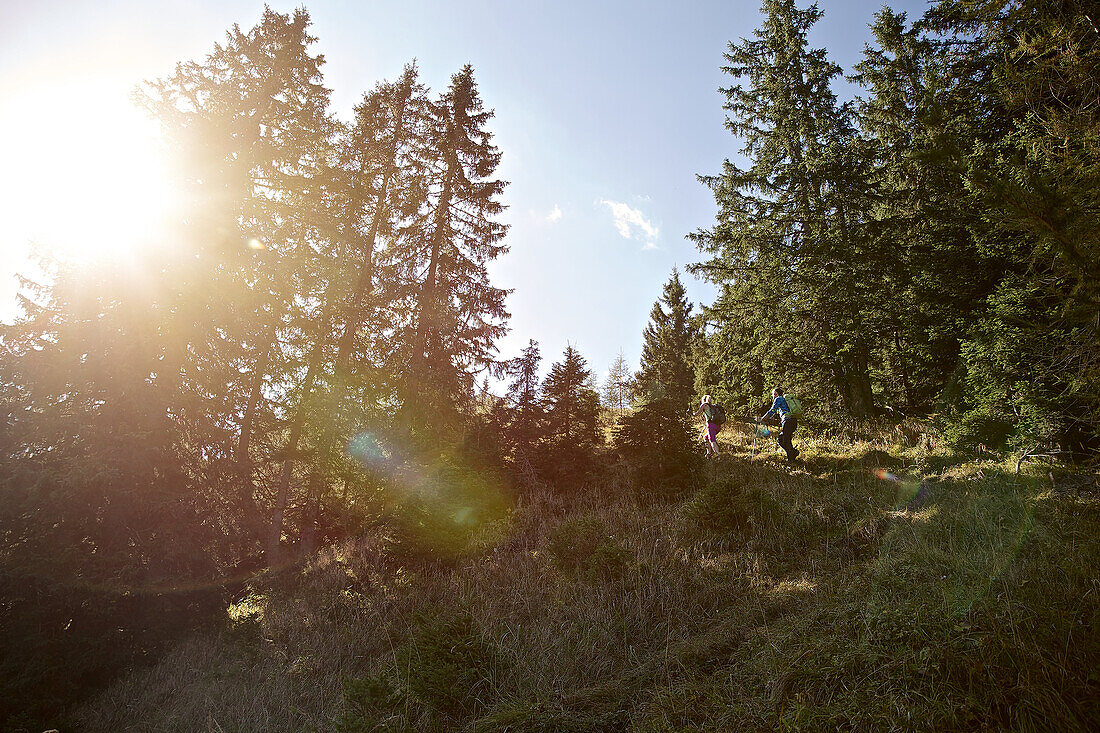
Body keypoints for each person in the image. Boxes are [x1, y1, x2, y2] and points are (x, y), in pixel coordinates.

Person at [756, 387, 799, 461]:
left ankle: (791, 458)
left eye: (774, 394)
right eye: (773, 394)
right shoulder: (783, 400)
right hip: (792, 421)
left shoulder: (778, 399)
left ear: (777, 394)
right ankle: (793, 453)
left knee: (785, 440)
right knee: (781, 439)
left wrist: (761, 419)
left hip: (788, 422)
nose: (773, 396)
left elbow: (772, 410)